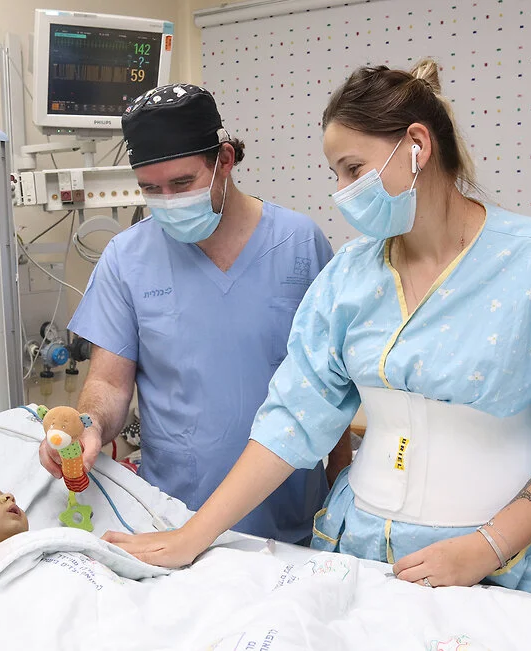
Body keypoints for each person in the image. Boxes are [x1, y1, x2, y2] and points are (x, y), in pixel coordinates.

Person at [104, 60, 531, 597]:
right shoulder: (350, 275)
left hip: (515, 558)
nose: (341, 192)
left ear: (417, 145)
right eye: (335, 174)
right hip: (364, 550)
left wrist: (486, 548)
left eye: (353, 169)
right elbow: (290, 421)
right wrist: (192, 535)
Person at [44, 84, 352, 544]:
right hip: (172, 518)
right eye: (151, 188)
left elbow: (333, 385)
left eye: (183, 183)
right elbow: (108, 383)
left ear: (224, 160)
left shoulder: (300, 244)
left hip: (293, 521)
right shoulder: (126, 258)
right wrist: (87, 426)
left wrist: (338, 487)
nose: (167, 199)